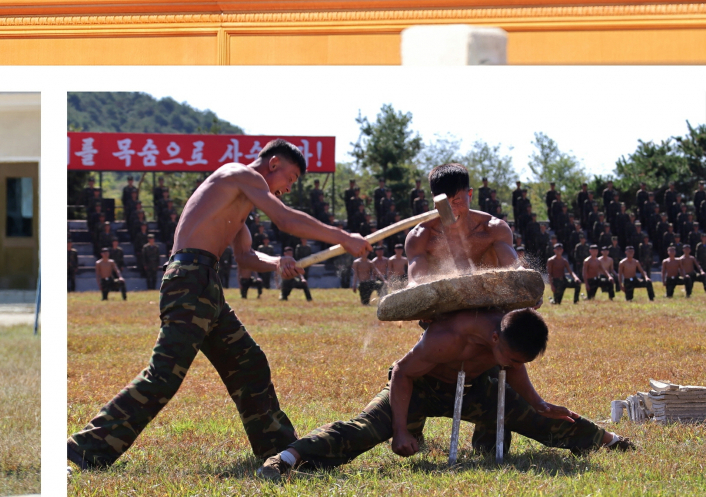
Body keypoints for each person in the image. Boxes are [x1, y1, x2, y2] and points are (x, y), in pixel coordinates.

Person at [66, 139, 369, 470]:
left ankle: (280, 451)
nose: (288, 188)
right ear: (273, 165)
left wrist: (276, 264)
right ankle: (83, 450)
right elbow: (285, 219)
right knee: (164, 375)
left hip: (205, 284)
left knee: (249, 363)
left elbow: (246, 257)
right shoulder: (238, 174)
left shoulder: (239, 202)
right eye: (290, 178)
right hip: (190, 278)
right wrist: (343, 236)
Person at [259, 309, 631, 478]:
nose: (516, 365)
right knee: (367, 429)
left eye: (520, 362)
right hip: (418, 387)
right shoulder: (448, 337)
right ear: (495, 338)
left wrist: (537, 403)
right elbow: (404, 372)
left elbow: (514, 367)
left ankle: (610, 439)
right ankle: (288, 458)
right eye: (512, 358)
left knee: (540, 419)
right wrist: (401, 430)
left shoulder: (506, 344)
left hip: (474, 389)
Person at [405, 163, 517, 284]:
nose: (451, 210)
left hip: (490, 298)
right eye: (444, 202)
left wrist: (529, 289)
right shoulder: (420, 236)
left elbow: (515, 269)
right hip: (443, 299)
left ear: (469, 195)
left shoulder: (494, 229)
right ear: (434, 198)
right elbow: (414, 283)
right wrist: (412, 289)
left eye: (457, 200)